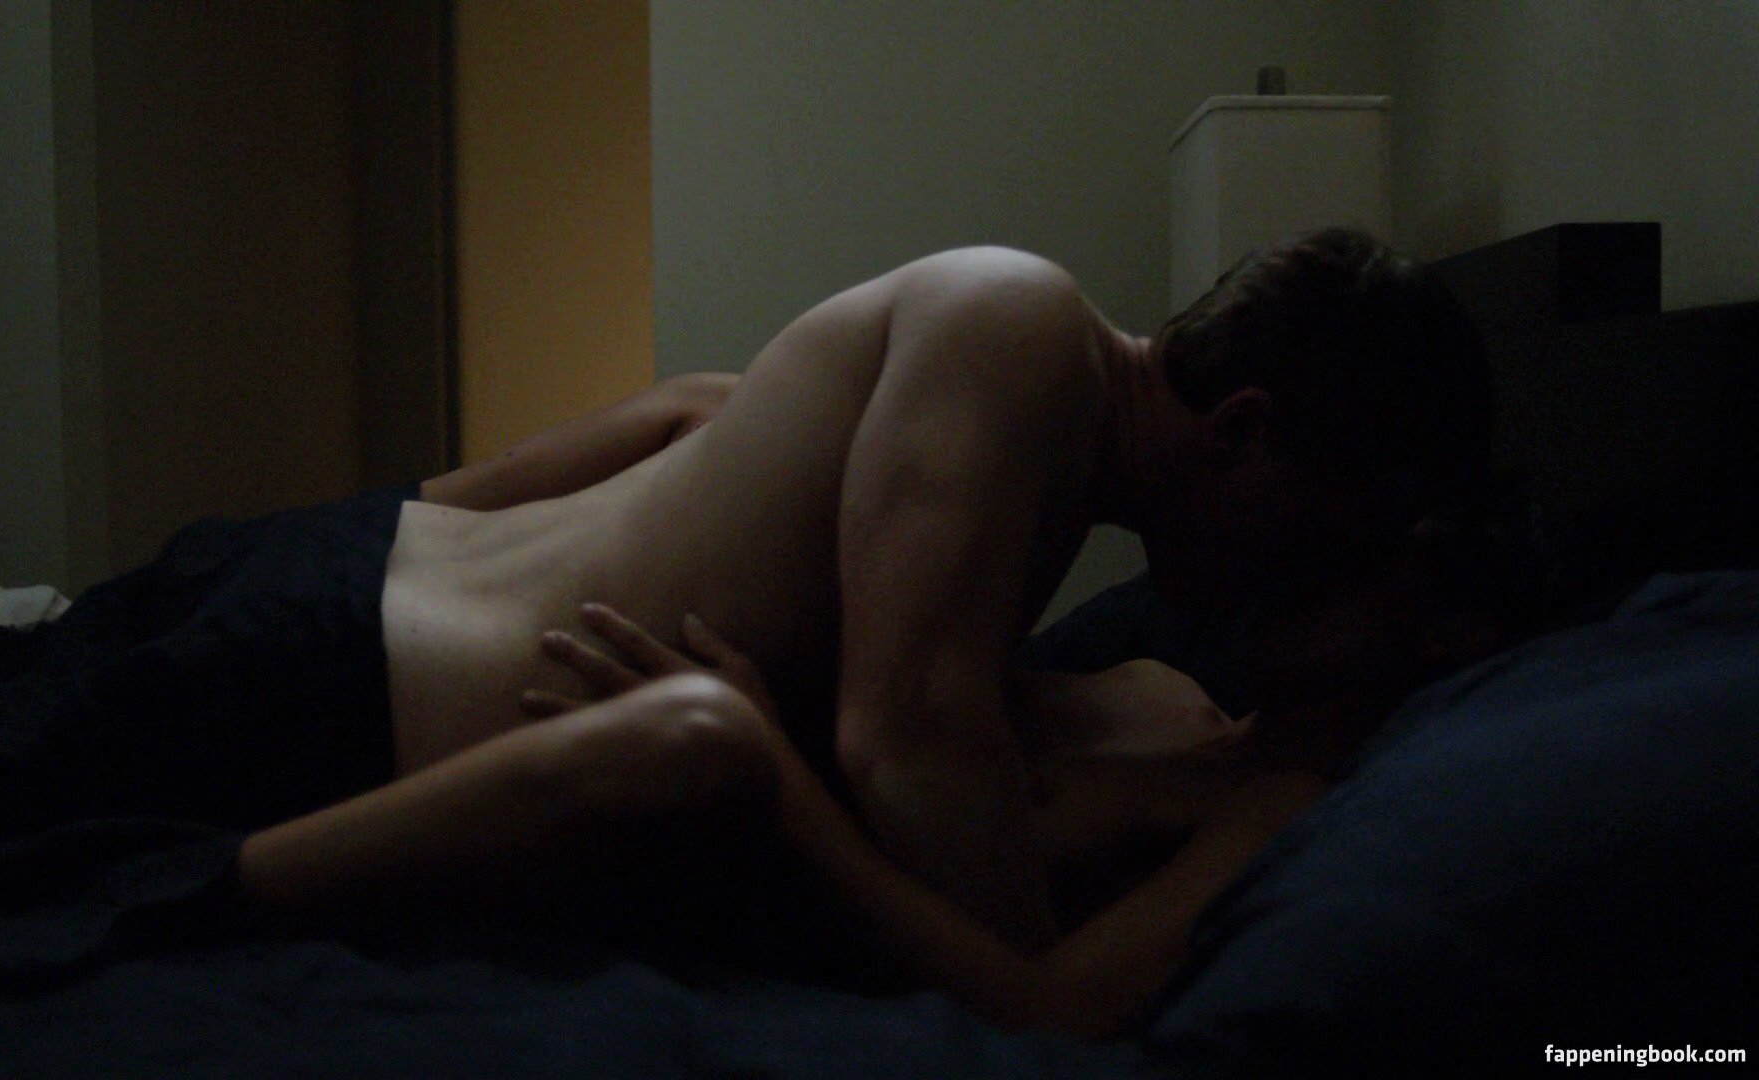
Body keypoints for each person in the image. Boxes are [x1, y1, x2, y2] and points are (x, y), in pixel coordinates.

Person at [234, 227, 1496, 1028]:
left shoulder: (1256, 797)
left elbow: (1028, 980)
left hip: (370, 664)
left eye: (1347, 564)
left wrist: (777, 783)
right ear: (1243, 433)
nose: (1295, 580)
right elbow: (910, 739)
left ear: (1440, 637)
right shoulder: (1036, 362)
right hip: (353, 637)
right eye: (1323, 538)